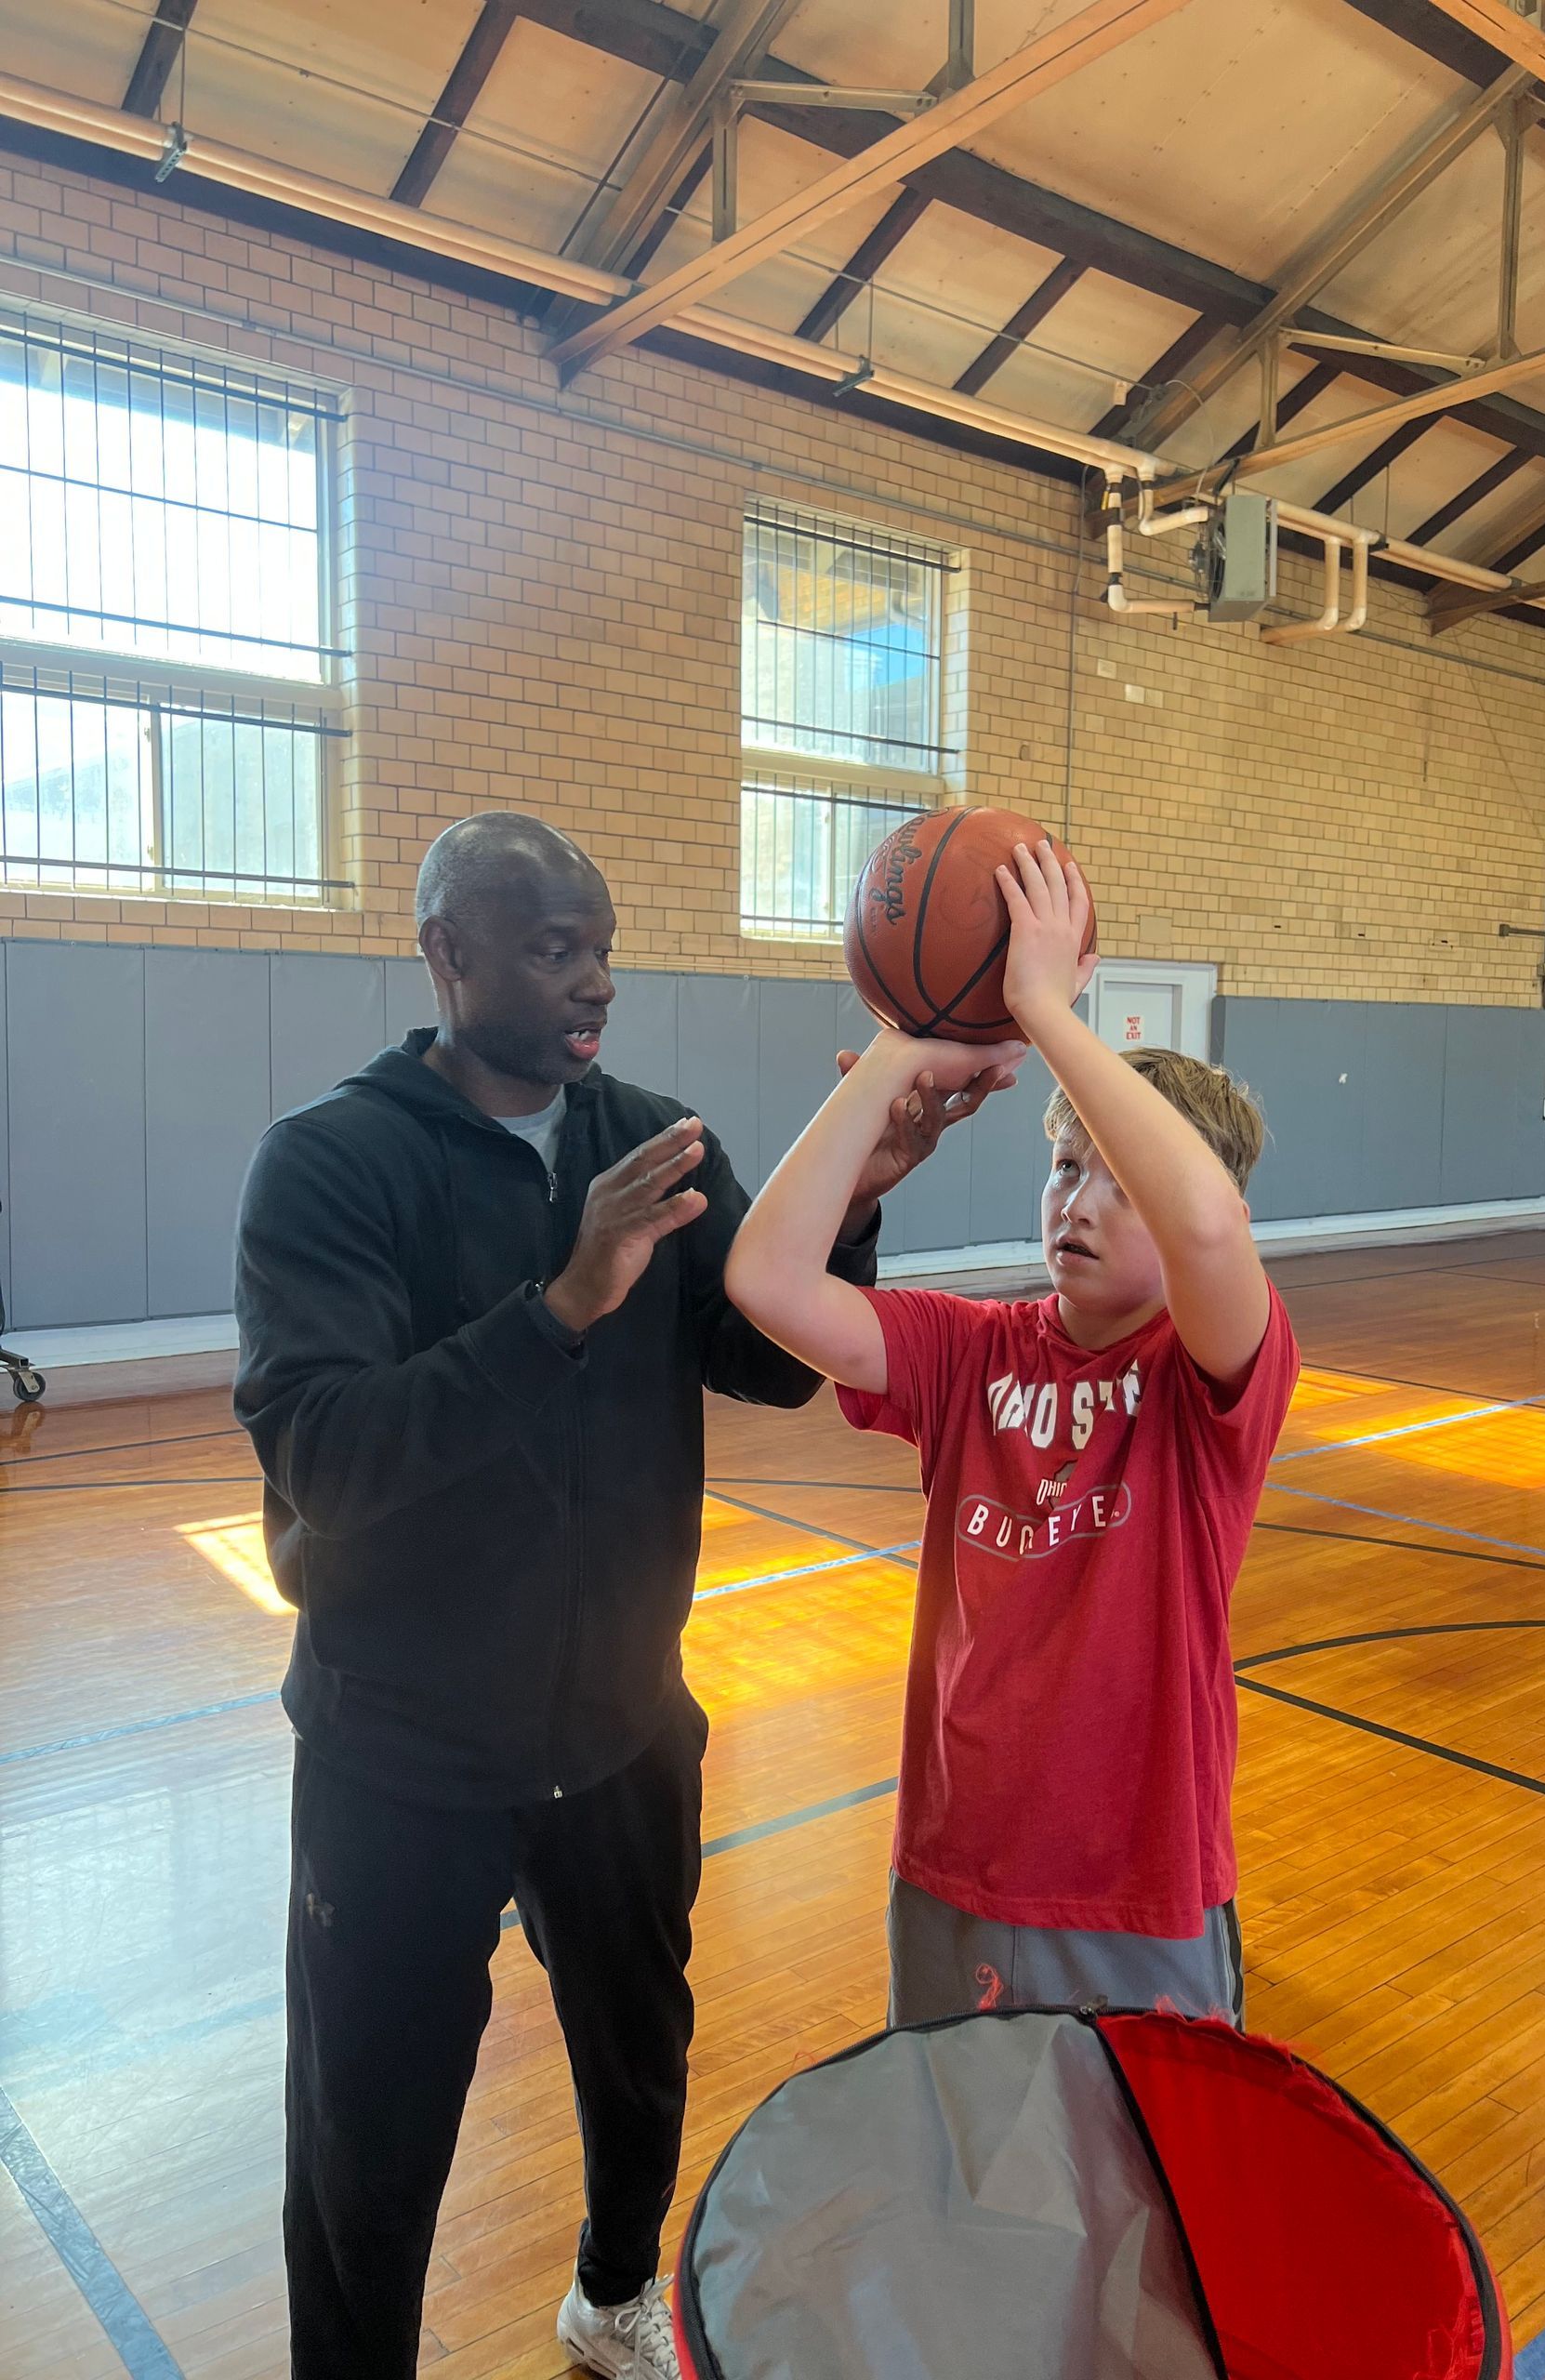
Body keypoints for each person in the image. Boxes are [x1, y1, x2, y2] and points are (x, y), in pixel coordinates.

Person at [233, 813, 1014, 2380]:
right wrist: (562, 1305)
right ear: (446, 952)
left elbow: (770, 1365)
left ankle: (608, 2295)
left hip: (620, 1729)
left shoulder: (658, 1139)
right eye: (550, 947)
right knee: (368, 2126)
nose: (595, 982)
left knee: (641, 2054)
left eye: (603, 945)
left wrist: (852, 1202)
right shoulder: (332, 1161)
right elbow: (327, 1455)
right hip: (402, 1753)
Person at [725, 839, 1300, 2028]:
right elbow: (767, 1278)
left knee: (1132, 2194)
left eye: (1118, 1184)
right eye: (1063, 1166)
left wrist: (1040, 1007)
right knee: (957, 2176)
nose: (1077, 1202)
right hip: (957, 1860)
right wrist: (893, 1059)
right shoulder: (973, 1351)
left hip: (1134, 1886)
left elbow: (1203, 1228)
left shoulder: (1208, 1378)